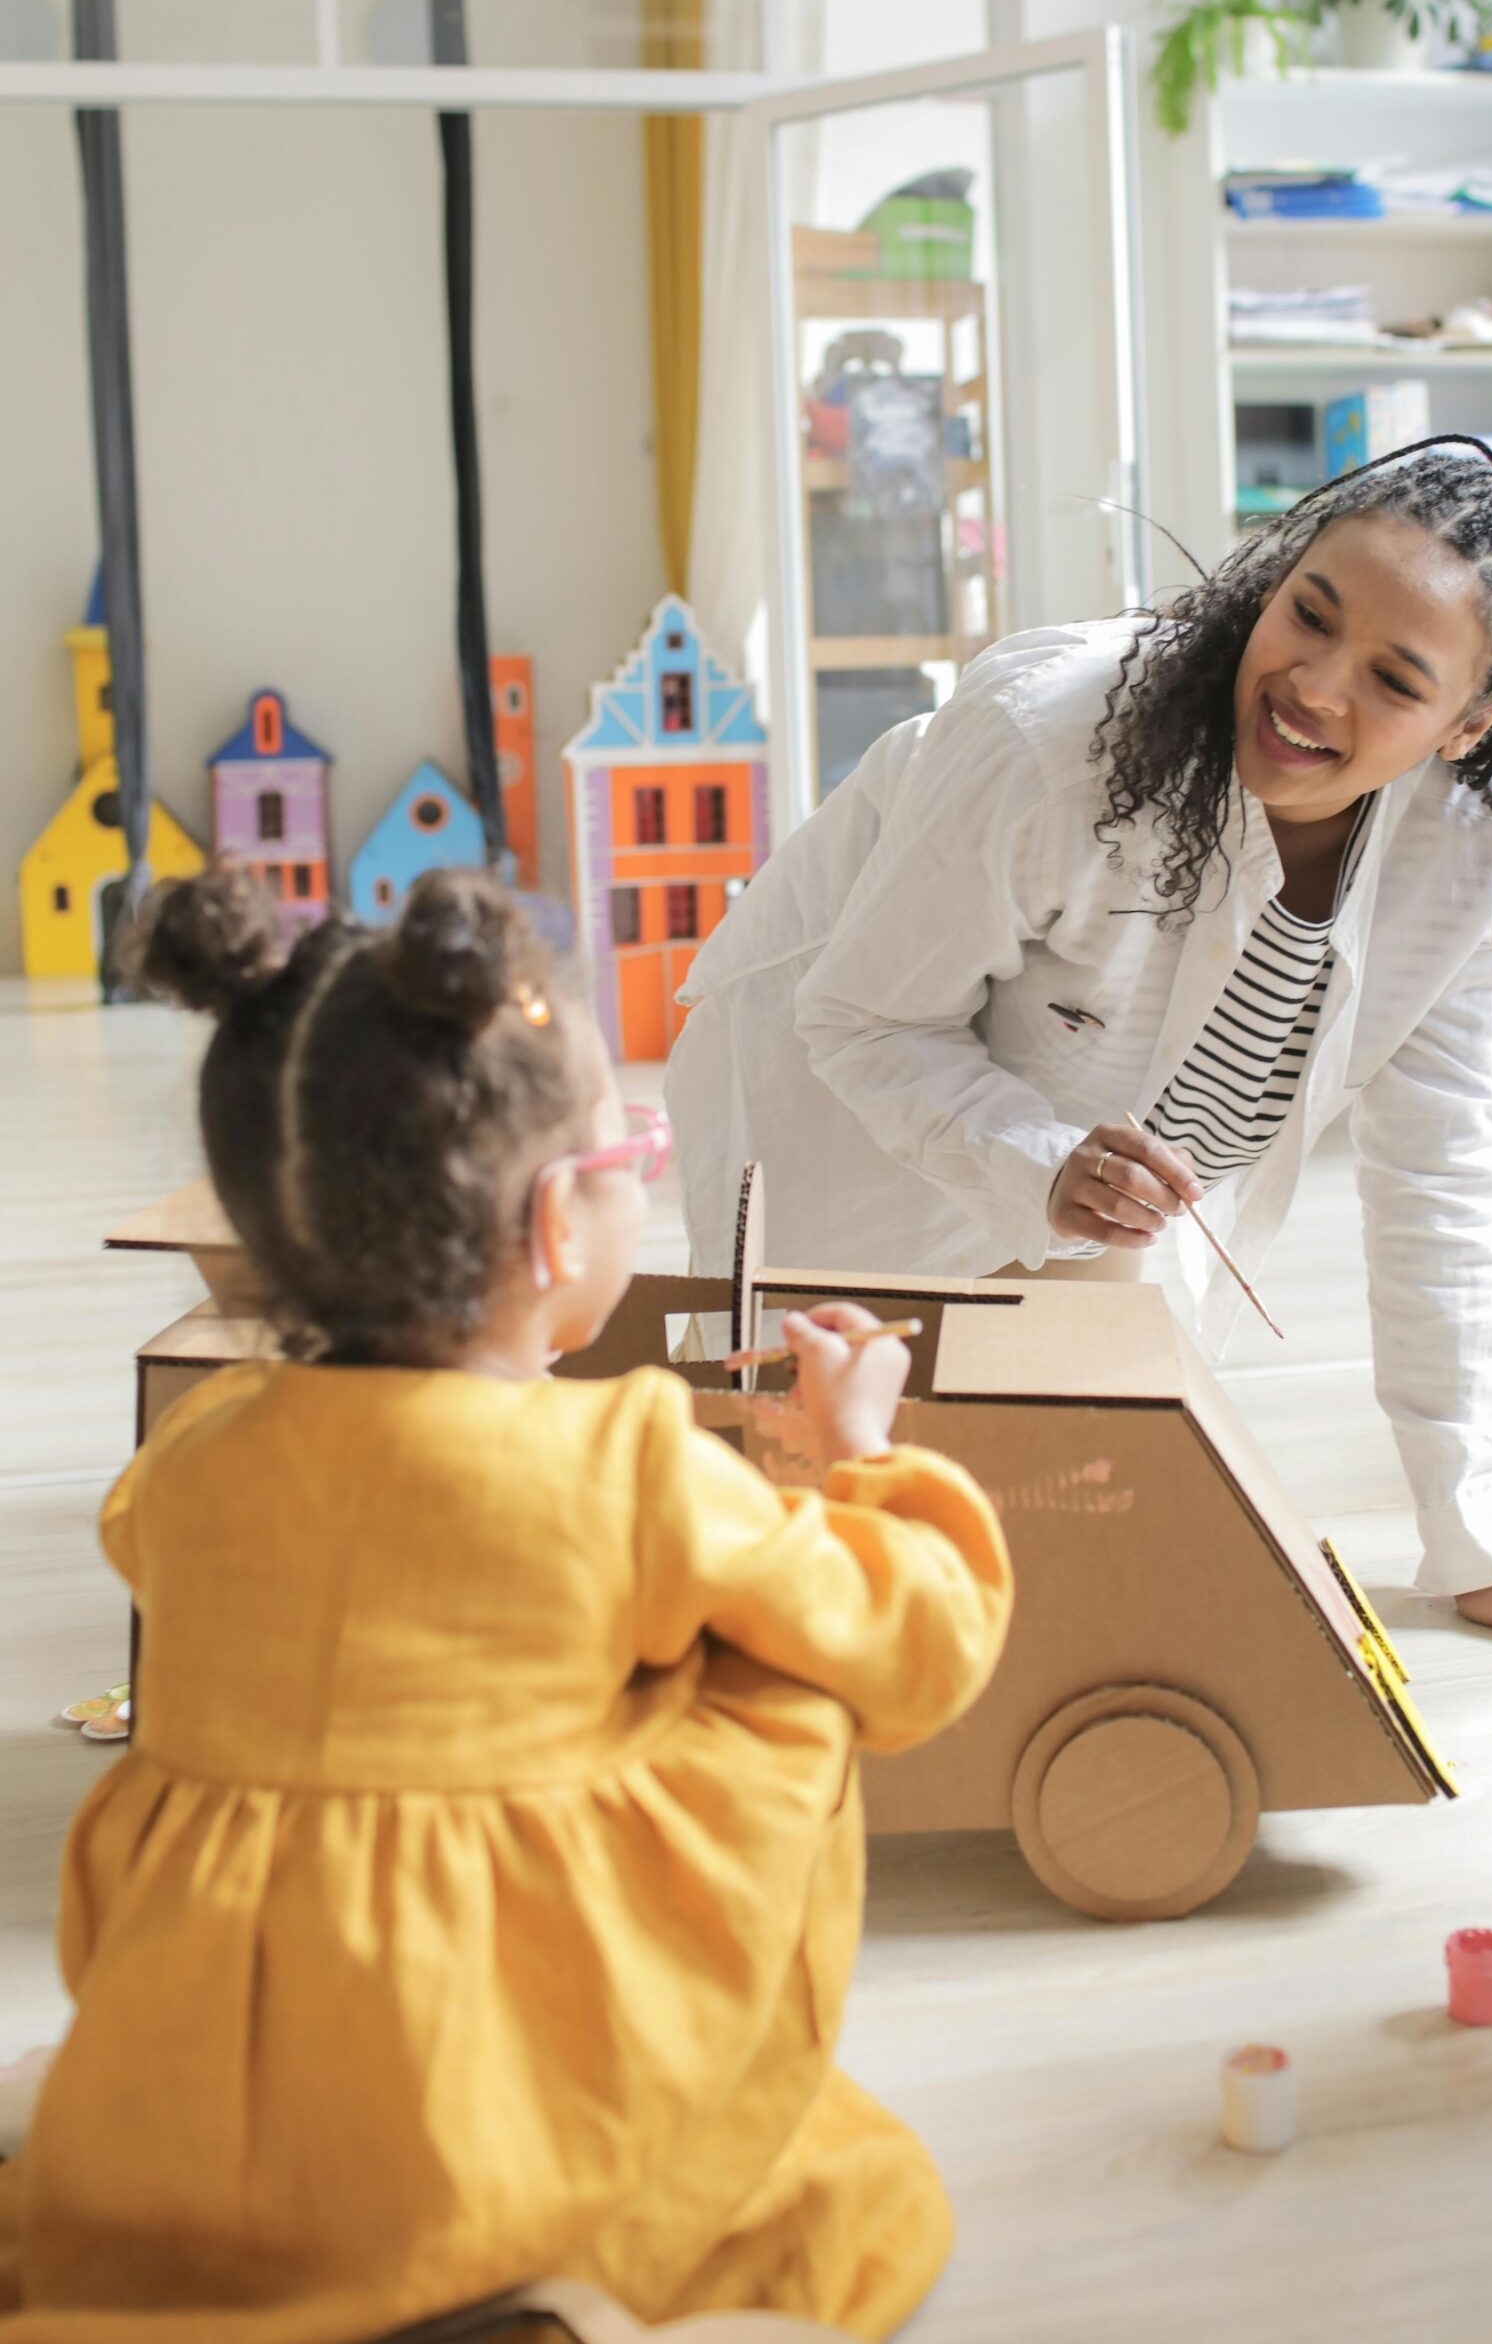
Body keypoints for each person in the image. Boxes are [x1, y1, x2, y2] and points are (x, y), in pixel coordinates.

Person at [0, 866, 1011, 2342]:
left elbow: (162, 1539)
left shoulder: (193, 1459)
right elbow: (916, 1648)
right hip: (501, 2086)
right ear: (554, 1229)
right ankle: (516, 2253)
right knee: (790, 1683)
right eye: (632, 1146)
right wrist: (854, 1464)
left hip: (214, 2064)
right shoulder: (626, 1462)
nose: (643, 1170)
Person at [669, 438, 1492, 1646]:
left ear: (1470, 724)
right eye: (1307, 613)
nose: (1315, 685)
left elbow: (1449, 1174)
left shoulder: (1471, 850)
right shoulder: (1052, 740)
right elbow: (864, 1018)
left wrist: (1472, 1520)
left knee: (1066, 1549)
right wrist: (1036, 1164)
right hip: (840, 1078)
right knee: (798, 1560)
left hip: (1090, 1168)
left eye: (1395, 678)